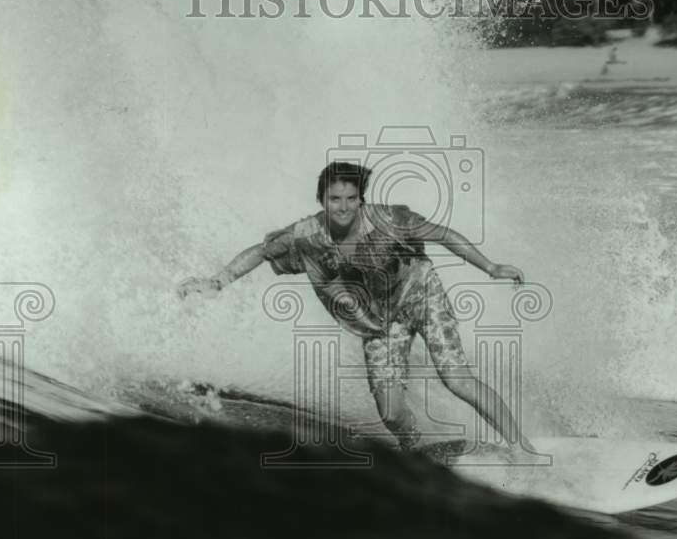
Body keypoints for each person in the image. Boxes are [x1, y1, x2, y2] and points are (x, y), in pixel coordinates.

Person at [178, 161, 531, 452]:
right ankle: (417, 451)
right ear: (321, 200)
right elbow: (260, 251)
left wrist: (491, 267)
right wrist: (216, 281)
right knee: (390, 412)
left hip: (421, 294)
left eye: (350, 198)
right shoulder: (306, 235)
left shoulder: (390, 219)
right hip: (378, 320)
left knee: (456, 379)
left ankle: (521, 447)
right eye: (334, 199)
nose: (343, 207)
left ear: (361, 200)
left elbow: (445, 235)